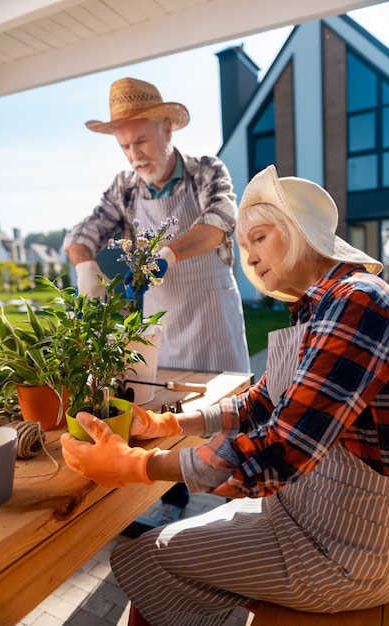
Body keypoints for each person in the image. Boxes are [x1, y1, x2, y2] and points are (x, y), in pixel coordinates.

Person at [61, 163, 389, 626]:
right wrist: (173, 424)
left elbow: (284, 447)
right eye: (244, 246)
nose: (251, 257)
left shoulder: (359, 301)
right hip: (305, 511)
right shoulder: (317, 308)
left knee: (152, 559)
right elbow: (262, 401)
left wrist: (140, 467)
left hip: (346, 546)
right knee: (155, 561)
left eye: (260, 237)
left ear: (300, 232)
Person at [62, 77, 250, 526]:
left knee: (226, 412)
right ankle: (176, 498)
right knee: (166, 413)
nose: (134, 155)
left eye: (142, 141)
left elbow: (222, 219)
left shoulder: (206, 169)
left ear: (167, 128)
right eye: (125, 146)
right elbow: (81, 235)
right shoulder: (125, 187)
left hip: (212, 313)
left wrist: (169, 252)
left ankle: (239, 503)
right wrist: (85, 268)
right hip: (162, 320)